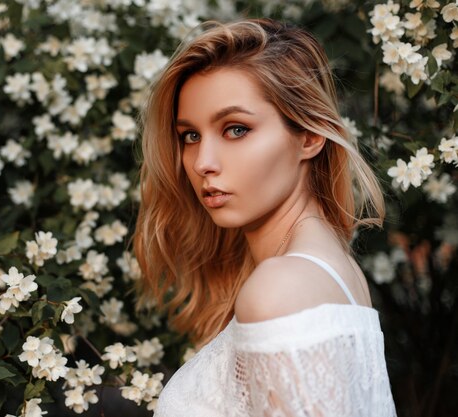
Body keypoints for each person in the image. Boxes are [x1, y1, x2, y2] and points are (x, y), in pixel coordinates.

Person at [132, 18, 398, 417]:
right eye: (190, 135)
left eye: (236, 129)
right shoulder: (329, 270)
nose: (203, 162)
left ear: (309, 135)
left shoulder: (281, 288)